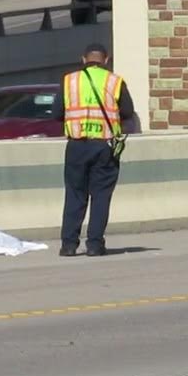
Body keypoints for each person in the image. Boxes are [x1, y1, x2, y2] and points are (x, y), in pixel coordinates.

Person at [59, 43, 135, 257]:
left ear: (84, 59)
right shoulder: (114, 81)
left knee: (75, 194)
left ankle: (68, 245)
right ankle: (94, 244)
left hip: (76, 145)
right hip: (104, 146)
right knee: (101, 196)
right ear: (106, 59)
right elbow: (127, 111)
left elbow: (56, 112)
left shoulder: (69, 81)